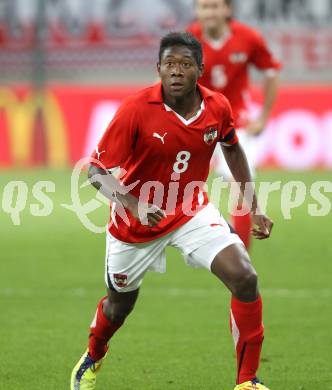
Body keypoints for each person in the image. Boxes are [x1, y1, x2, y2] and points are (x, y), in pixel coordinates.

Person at [70, 32, 273, 390]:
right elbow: (95, 171)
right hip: (135, 224)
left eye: (185, 64)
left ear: (200, 69)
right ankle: (93, 354)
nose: (176, 71)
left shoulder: (217, 106)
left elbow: (233, 148)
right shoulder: (136, 109)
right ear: (158, 69)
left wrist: (252, 206)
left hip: (191, 211)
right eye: (169, 64)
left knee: (245, 278)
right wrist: (134, 205)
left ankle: (247, 381)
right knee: (119, 307)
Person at [187, 0, 281, 249]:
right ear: (197, 11)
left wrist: (263, 117)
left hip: (235, 122)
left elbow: (271, 71)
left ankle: (240, 261)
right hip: (197, 123)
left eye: (215, 6)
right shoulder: (187, 41)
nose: (209, 12)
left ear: (227, 9)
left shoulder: (249, 38)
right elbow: (164, 78)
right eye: (204, 7)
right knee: (177, 186)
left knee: (239, 186)